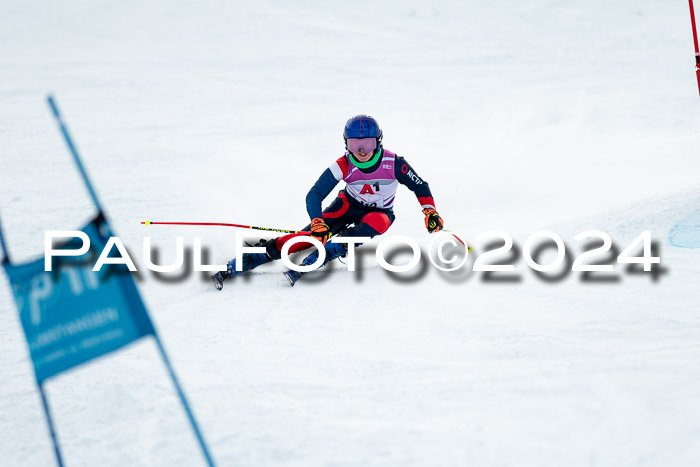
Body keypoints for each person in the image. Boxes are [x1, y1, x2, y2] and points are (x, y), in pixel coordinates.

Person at [212, 114, 444, 289]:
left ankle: (330, 251)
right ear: (346, 144)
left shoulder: (393, 162)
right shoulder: (343, 164)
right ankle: (252, 257)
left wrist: (430, 212)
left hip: (379, 212)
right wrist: (317, 222)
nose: (362, 151)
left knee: (378, 223)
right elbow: (314, 195)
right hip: (346, 206)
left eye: (368, 144)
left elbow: (420, 186)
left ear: (379, 142)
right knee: (304, 240)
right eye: (355, 144)